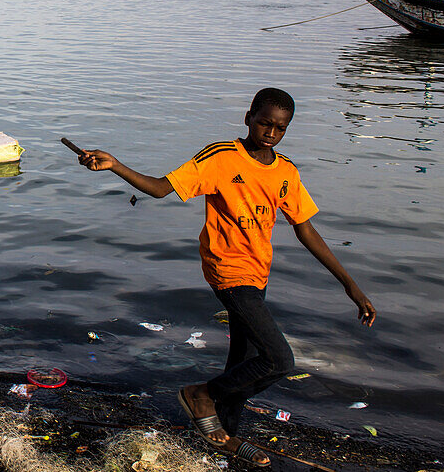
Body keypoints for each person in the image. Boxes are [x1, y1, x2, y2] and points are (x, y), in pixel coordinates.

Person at [75, 88, 376, 468]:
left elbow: (306, 229)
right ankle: (200, 395)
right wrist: (115, 165)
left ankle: (224, 440)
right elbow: (160, 187)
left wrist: (350, 285)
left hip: (258, 271)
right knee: (280, 359)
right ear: (248, 117)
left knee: (244, 363)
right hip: (227, 270)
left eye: (279, 128)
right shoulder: (220, 157)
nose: (270, 132)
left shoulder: (286, 171)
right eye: (264, 122)